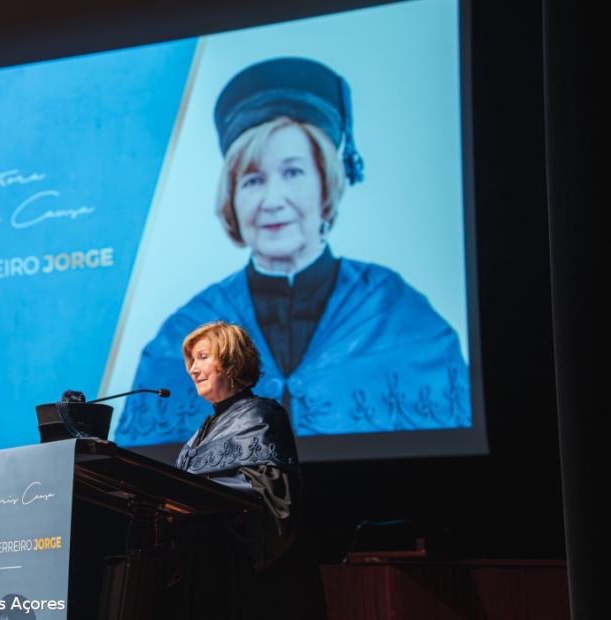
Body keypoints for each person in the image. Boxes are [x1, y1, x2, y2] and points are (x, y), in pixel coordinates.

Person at [116, 57, 470, 446]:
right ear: (232, 200)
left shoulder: (398, 313)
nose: (272, 200)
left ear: (326, 185)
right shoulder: (185, 333)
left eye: (293, 172)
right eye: (252, 180)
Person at [165, 320, 326, 619]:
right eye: (191, 361)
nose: (192, 369)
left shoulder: (261, 415)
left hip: (246, 581)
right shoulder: (200, 433)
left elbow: (273, 498)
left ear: (230, 361)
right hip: (205, 571)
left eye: (202, 357)